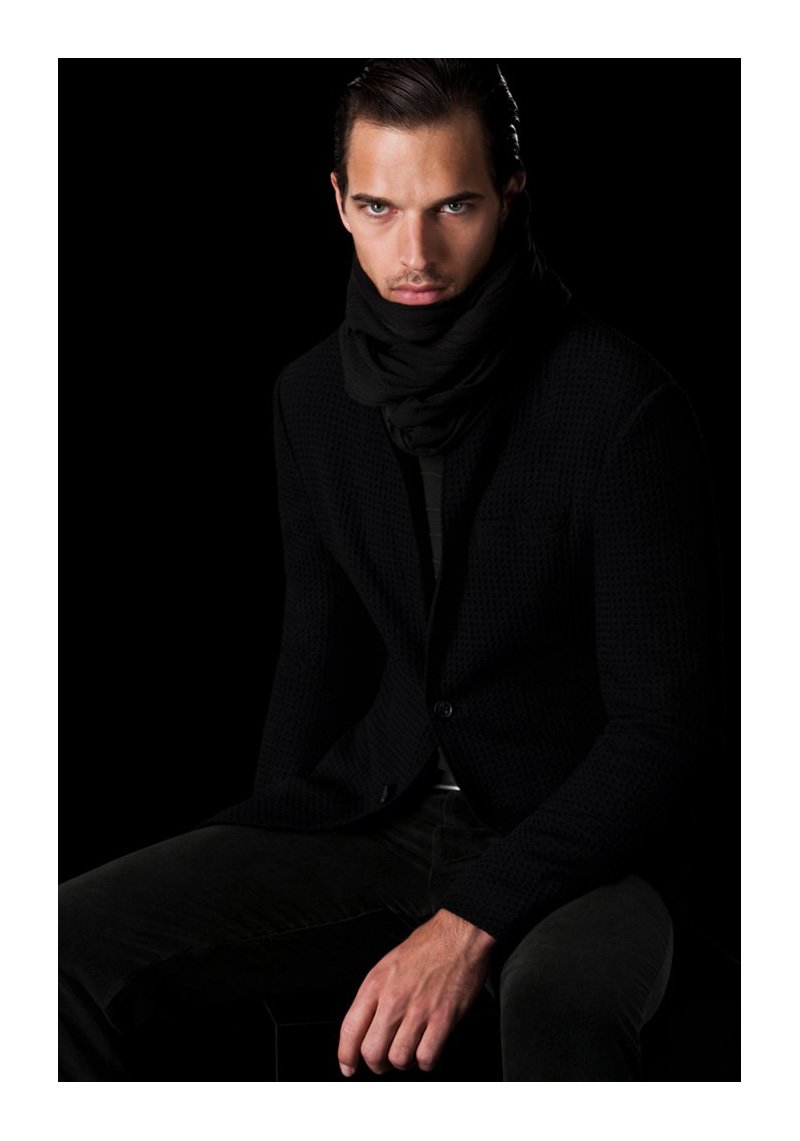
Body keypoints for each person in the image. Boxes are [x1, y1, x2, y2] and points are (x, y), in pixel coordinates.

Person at [59, 59, 723, 1082]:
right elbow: (316, 653)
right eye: (378, 207)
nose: (413, 252)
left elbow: (662, 729)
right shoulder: (311, 397)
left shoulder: (620, 404)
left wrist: (471, 921)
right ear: (338, 200)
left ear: (510, 192)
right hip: (379, 811)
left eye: (453, 204)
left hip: (584, 837)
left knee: (559, 1006)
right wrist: (264, 841)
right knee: (52, 946)